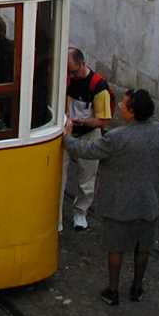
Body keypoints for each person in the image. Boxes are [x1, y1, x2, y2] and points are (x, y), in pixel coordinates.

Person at [64, 89, 159, 305]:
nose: (119, 108)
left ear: (132, 112)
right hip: (149, 202)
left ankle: (113, 290)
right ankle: (137, 287)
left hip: (118, 204)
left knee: (115, 247)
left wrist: (67, 137)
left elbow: (85, 150)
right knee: (143, 248)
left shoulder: (116, 138)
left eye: (123, 106)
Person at [60, 47, 112, 231]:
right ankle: (55, 215)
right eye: (66, 71)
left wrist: (83, 121)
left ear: (83, 63)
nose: (70, 76)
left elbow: (103, 119)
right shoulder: (64, 79)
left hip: (87, 135)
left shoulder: (99, 86)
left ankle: (80, 213)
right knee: (59, 176)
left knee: (87, 178)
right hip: (65, 133)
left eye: (72, 71)